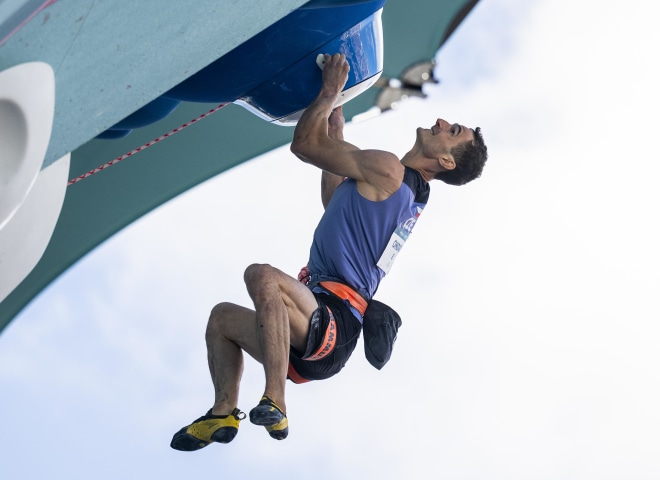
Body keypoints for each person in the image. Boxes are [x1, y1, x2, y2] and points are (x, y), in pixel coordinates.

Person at [170, 53, 487, 451]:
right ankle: (221, 413)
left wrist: (330, 91)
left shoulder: (390, 171)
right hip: (320, 333)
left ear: (445, 160)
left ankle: (275, 401)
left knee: (262, 275)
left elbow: (304, 144)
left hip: (333, 323)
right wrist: (334, 124)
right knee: (222, 320)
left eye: (452, 130)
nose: (442, 122)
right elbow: (335, 202)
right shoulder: (405, 192)